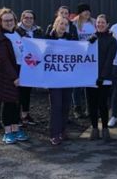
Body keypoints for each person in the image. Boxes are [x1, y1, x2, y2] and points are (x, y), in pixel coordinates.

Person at [0, 8, 30, 144]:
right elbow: (4, 60)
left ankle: (16, 128)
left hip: (21, 71)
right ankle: (8, 131)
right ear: (0, 22)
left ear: (15, 21)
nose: (8, 23)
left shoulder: (18, 33)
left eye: (11, 20)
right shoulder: (0, 38)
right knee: (8, 103)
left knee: (17, 102)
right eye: (5, 20)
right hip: (6, 75)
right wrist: (14, 77)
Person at [44, 16, 79, 145]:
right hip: (54, 78)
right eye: (61, 23)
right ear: (55, 24)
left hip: (67, 78)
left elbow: (79, 52)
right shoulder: (48, 38)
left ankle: (62, 131)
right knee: (56, 106)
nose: (63, 26)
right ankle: (54, 133)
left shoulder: (71, 38)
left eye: (65, 24)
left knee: (65, 105)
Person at [86, 14, 117, 142]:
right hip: (90, 78)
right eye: (98, 22)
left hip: (105, 78)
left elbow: (109, 60)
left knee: (102, 104)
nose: (100, 24)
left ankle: (105, 128)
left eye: (103, 22)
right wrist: (88, 43)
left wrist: (102, 76)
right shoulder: (91, 38)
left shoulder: (112, 40)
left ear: (107, 24)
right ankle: (94, 128)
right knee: (91, 104)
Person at [16, 10, 44, 126]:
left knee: (27, 91)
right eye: (26, 17)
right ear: (22, 18)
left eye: (31, 18)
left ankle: (25, 115)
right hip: (19, 63)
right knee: (17, 91)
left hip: (32, 64)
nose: (28, 20)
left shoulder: (38, 30)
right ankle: (16, 117)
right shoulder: (16, 30)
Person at [71, 3, 97, 119]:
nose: (87, 13)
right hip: (79, 57)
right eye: (84, 11)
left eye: (88, 11)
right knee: (77, 84)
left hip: (91, 58)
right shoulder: (75, 24)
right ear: (80, 13)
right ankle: (77, 108)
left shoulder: (94, 22)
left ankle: (89, 108)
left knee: (89, 83)